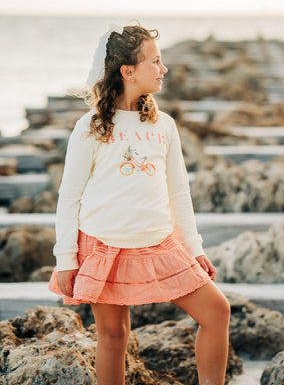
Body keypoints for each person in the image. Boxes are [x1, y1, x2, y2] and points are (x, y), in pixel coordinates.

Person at [48, 21, 230, 385]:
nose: (163, 69)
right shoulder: (91, 126)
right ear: (128, 71)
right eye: (156, 61)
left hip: (160, 244)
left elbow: (179, 192)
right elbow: (70, 196)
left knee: (217, 311)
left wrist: (193, 248)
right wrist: (65, 259)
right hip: (103, 245)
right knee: (113, 336)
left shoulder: (163, 125)